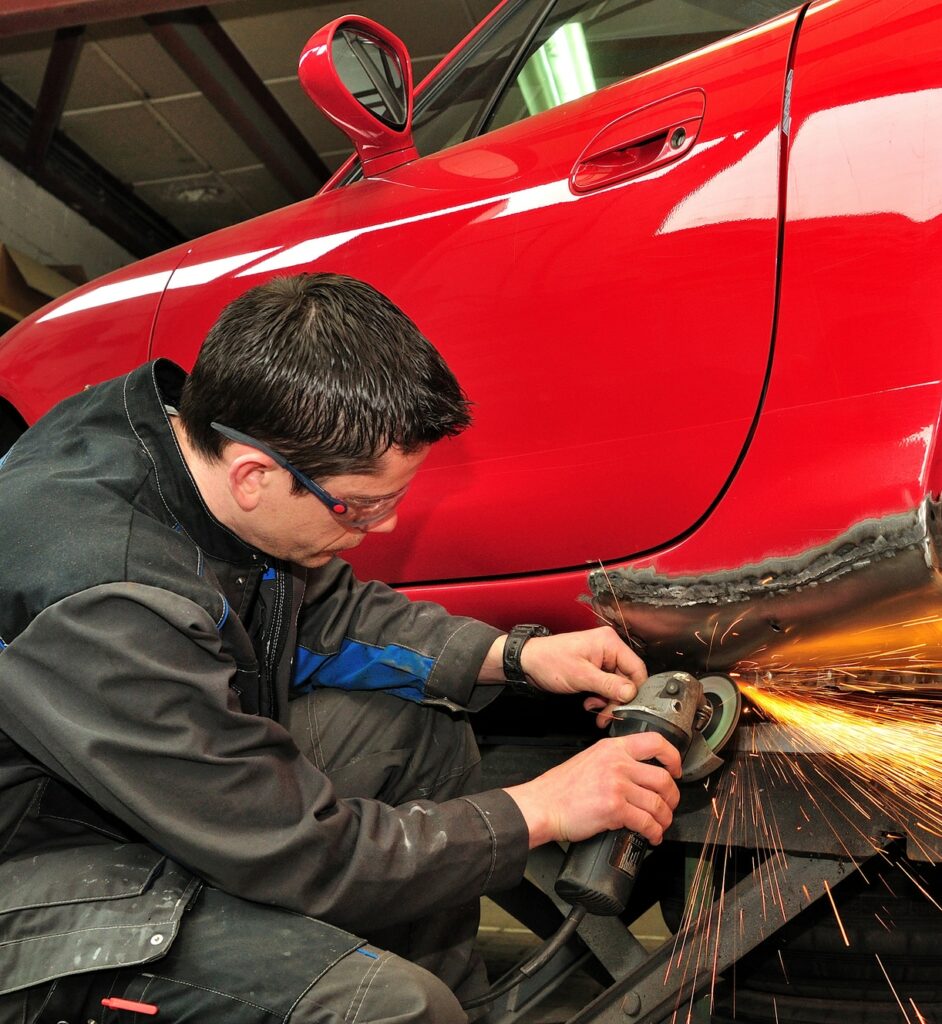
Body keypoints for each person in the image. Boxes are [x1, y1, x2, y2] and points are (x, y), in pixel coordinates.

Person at [0, 273, 680, 1023]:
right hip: (41, 868)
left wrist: (514, 657)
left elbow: (321, 611)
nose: (383, 528)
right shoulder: (110, 601)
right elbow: (298, 851)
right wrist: (541, 809)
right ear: (255, 475)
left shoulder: (186, 449)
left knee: (418, 732)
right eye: (361, 506)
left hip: (143, 781)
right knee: (389, 1009)